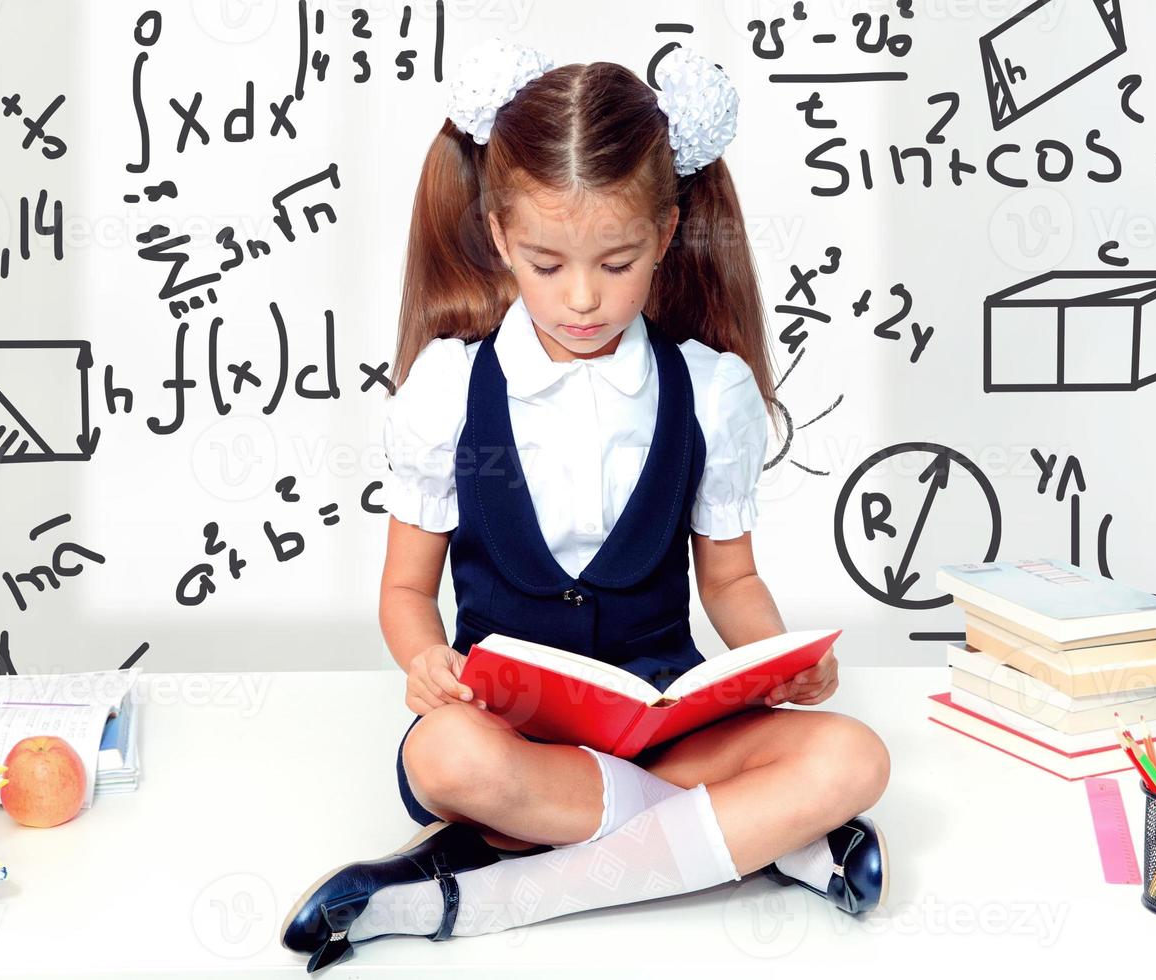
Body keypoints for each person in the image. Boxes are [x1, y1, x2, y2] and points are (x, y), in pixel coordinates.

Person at [281, 37, 891, 973]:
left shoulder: (709, 391)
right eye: (546, 262)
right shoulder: (448, 391)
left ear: (666, 234)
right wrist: (423, 662)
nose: (581, 298)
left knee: (854, 760)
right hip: (511, 739)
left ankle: (489, 891)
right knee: (447, 759)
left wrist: (773, 663)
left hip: (667, 732)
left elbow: (729, 578)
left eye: (615, 262)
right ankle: (771, 843)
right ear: (498, 237)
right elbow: (406, 591)